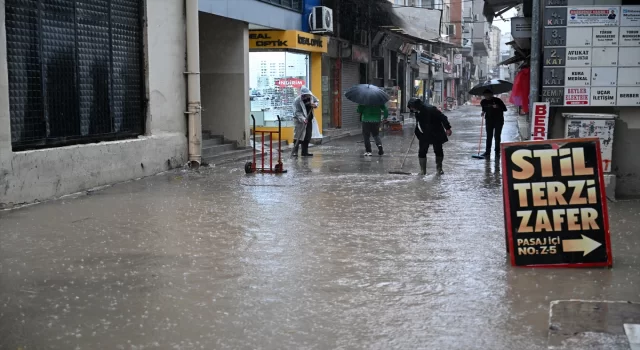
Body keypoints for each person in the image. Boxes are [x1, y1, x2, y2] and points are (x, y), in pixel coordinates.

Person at [407, 98, 452, 175]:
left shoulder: (431, 109)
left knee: (438, 150)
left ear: (416, 106)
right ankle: (422, 171)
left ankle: (439, 168)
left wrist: (447, 128)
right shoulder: (417, 111)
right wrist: (417, 130)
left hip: (436, 132)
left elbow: (443, 117)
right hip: (424, 133)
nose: (411, 109)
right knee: (422, 151)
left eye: (412, 107)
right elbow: (419, 122)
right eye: (410, 107)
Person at [480, 89, 507, 159]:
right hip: (489, 120)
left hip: (498, 120)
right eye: (485, 95)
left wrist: (498, 107)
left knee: (497, 136)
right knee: (489, 136)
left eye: (488, 95)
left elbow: (505, 109)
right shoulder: (483, 102)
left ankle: (497, 152)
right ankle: (487, 152)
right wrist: (483, 112)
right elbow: (484, 109)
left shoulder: (498, 100)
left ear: (491, 94)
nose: (487, 96)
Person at [292, 87, 319, 157]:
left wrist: (315, 105)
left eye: (308, 95)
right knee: (298, 136)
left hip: (309, 119)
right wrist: (303, 119)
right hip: (299, 121)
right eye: (305, 95)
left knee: (307, 136)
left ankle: (304, 152)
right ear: (302, 95)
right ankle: (295, 152)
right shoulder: (297, 101)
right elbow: (297, 112)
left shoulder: (311, 97)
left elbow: (317, 101)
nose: (307, 97)